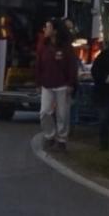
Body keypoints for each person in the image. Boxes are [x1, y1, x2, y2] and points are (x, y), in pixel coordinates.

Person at [36, 18, 78, 150]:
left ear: (55, 31)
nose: (45, 29)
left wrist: (71, 83)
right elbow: (39, 64)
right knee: (44, 112)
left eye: (47, 27)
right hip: (47, 84)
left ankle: (61, 139)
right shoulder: (44, 45)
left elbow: (72, 66)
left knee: (62, 114)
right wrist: (38, 81)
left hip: (63, 85)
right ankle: (49, 135)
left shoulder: (66, 47)